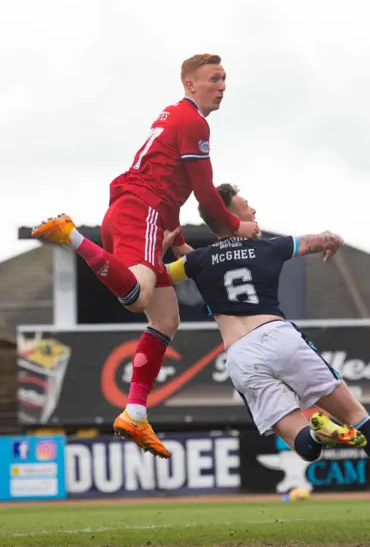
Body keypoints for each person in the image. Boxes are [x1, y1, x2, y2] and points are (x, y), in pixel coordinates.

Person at [31, 54, 260, 459]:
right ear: (190, 84)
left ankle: (135, 413)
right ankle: (70, 238)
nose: (222, 86)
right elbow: (206, 195)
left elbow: (166, 172)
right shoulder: (194, 121)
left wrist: (171, 232)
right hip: (143, 209)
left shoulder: (176, 115)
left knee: (165, 318)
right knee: (138, 295)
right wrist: (233, 227)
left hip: (140, 210)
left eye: (224, 78)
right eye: (213, 79)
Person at [165, 183, 370, 512]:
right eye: (247, 206)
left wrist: (168, 246)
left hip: (239, 356)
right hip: (277, 335)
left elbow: (159, 278)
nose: (254, 211)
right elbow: (324, 239)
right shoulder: (269, 247)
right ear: (231, 216)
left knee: (305, 446)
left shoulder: (197, 260)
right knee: (354, 415)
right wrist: (330, 240)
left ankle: (321, 433)